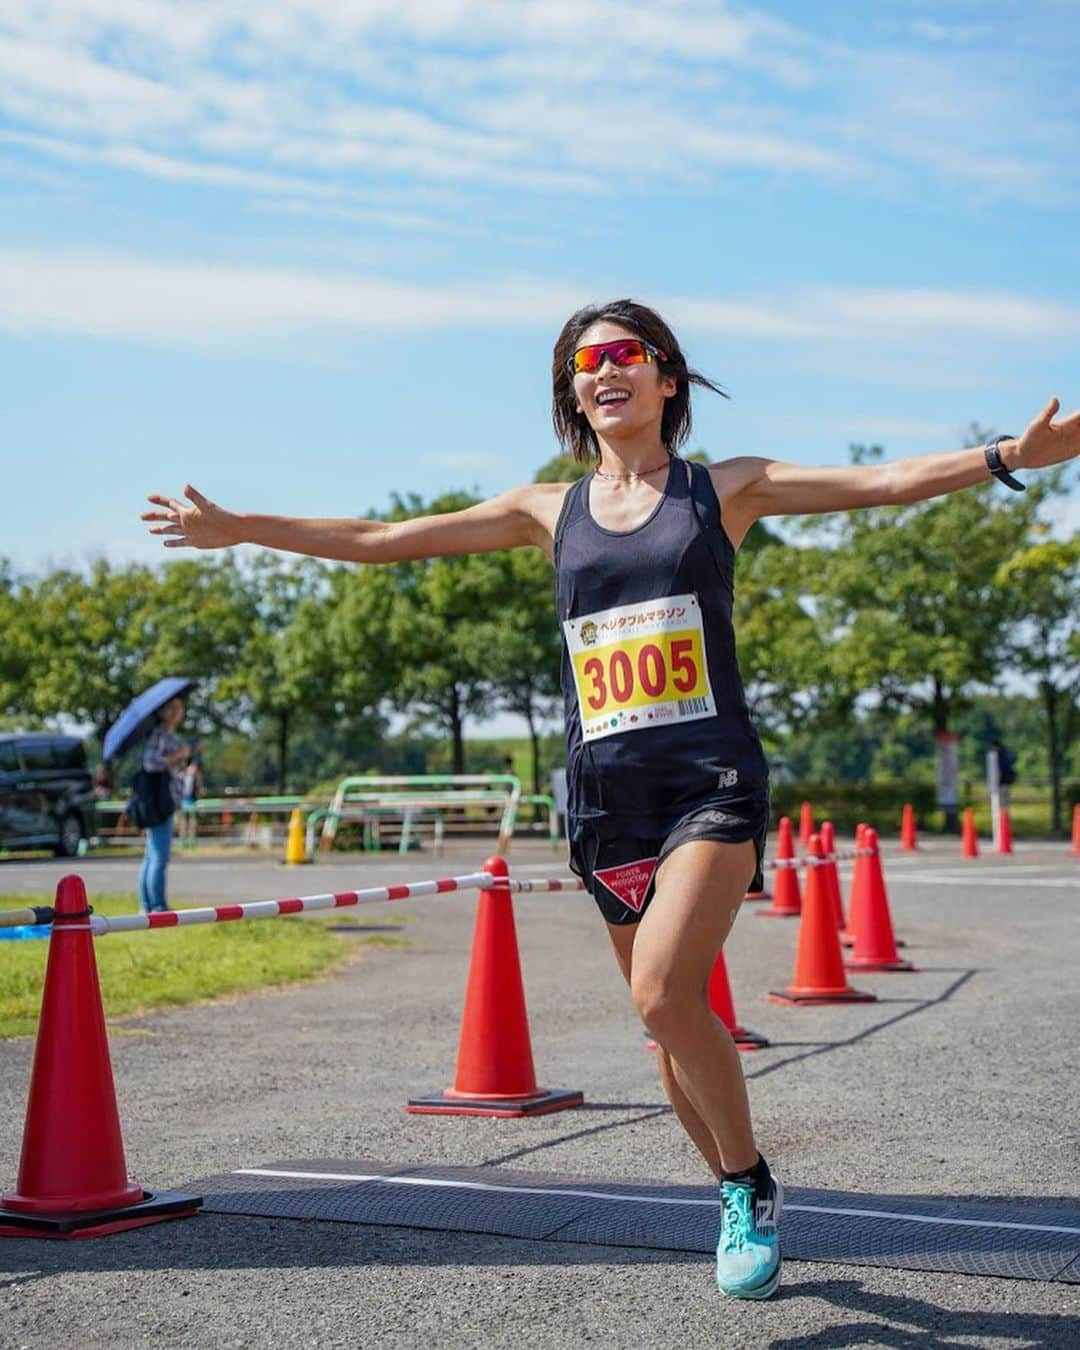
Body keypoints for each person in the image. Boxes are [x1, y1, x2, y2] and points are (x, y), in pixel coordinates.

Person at [143, 299, 1080, 1299]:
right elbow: (383, 536)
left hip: (710, 781)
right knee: (667, 1022)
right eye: (586, 363)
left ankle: (749, 1182)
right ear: (573, 394)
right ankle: (734, 1178)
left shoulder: (727, 488)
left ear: (667, 378)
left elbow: (884, 480)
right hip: (606, 799)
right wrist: (241, 528)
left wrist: (1004, 456)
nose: (605, 372)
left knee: (663, 992)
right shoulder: (546, 510)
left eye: (626, 355)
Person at [138, 696, 188, 913]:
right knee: (159, 856)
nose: (178, 711)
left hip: (163, 801)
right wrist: (178, 756)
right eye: (172, 708)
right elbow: (150, 763)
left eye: (179, 707)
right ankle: (157, 905)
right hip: (160, 802)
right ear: (163, 712)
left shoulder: (168, 735)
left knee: (151, 855)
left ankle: (147, 905)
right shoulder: (159, 735)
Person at [178, 738, 204, 845]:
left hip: (189, 794)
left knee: (190, 818)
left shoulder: (195, 760)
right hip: (185, 794)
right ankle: (185, 841)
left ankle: (190, 840)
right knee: (185, 818)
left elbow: (197, 776)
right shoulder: (192, 759)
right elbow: (197, 776)